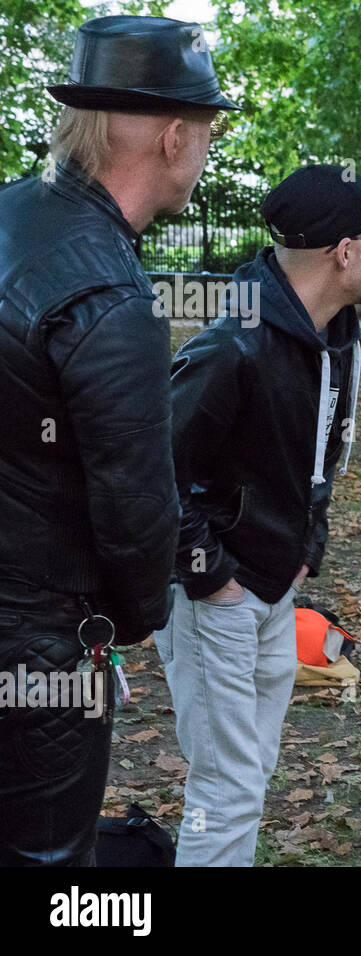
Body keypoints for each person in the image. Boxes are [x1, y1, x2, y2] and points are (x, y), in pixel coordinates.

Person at [0, 15, 237, 866]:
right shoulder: (108, 291)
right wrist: (128, 622)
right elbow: (139, 513)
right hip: (38, 641)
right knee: (47, 862)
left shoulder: (12, 216)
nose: (206, 150)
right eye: (205, 130)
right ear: (174, 136)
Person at [155, 165, 361, 865]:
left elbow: (318, 456)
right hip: (220, 596)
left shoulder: (332, 332)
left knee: (246, 774)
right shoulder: (234, 344)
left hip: (273, 585)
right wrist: (211, 577)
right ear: (344, 251)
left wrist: (309, 542)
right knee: (227, 784)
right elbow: (153, 471)